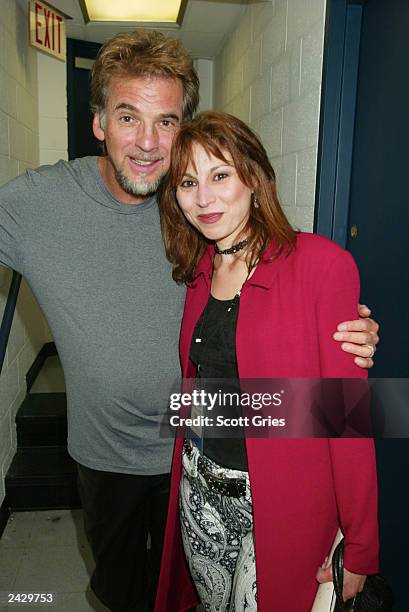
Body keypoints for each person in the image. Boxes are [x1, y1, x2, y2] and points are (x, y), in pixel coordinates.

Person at [0, 31, 378, 612]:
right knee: (131, 594)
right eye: (129, 117)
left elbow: (325, 395)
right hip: (114, 458)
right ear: (99, 121)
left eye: (167, 121)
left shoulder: (206, 219)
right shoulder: (41, 205)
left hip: (205, 455)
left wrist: (341, 340)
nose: (148, 143)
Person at [155, 111, 379, 612]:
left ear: (254, 178)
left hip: (281, 505)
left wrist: (361, 544)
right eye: (189, 182)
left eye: (220, 175)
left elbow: (347, 419)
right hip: (201, 491)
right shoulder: (198, 273)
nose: (203, 198)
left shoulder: (320, 267)